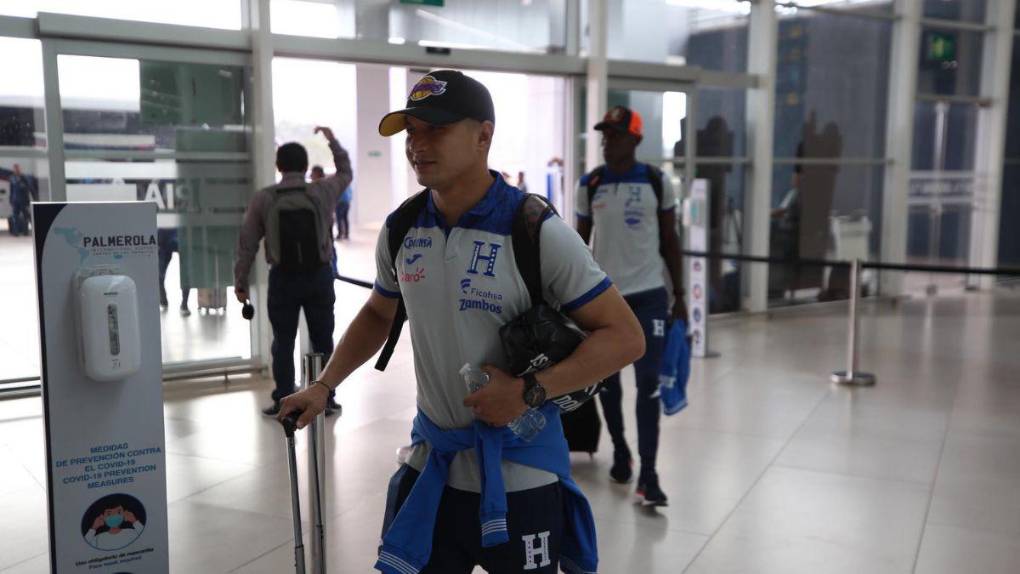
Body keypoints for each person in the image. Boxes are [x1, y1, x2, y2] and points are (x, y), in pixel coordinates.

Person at [279, 70, 644, 574]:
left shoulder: (534, 230)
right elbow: (378, 313)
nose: (417, 145)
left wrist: (528, 391)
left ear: (483, 136)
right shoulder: (403, 227)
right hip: (434, 464)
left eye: (435, 129)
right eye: (411, 132)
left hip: (522, 473)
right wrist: (324, 386)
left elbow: (625, 337)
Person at [575, 105, 688, 507]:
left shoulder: (657, 182)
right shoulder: (590, 184)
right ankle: (620, 450)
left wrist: (681, 299)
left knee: (648, 385)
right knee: (606, 385)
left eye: (616, 135)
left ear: (635, 140)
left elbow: (670, 243)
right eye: (604, 135)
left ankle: (650, 474)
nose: (608, 142)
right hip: (604, 302)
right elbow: (578, 249)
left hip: (650, 297)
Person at [234, 127, 351, 416]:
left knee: (283, 341)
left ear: (279, 166)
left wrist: (240, 281)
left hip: (283, 278)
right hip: (319, 275)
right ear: (304, 165)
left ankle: (283, 399)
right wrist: (332, 140)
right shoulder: (322, 190)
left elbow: (247, 243)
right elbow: (346, 171)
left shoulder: (265, 198)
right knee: (323, 338)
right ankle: (326, 397)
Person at [157, 228, 192, 316]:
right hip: (164, 238)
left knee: (186, 274)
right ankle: (164, 301)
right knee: (159, 275)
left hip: (175, 235)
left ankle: (183, 304)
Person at [8, 164, 37, 236]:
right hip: (15, 201)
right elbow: (11, 189)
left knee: (26, 217)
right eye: (15, 169)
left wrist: (34, 198)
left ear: (19, 169)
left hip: (24, 201)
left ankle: (25, 231)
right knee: (15, 217)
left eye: (17, 168)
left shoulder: (24, 178)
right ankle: (16, 232)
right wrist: (11, 199)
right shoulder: (12, 178)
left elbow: (29, 188)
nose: (16, 170)